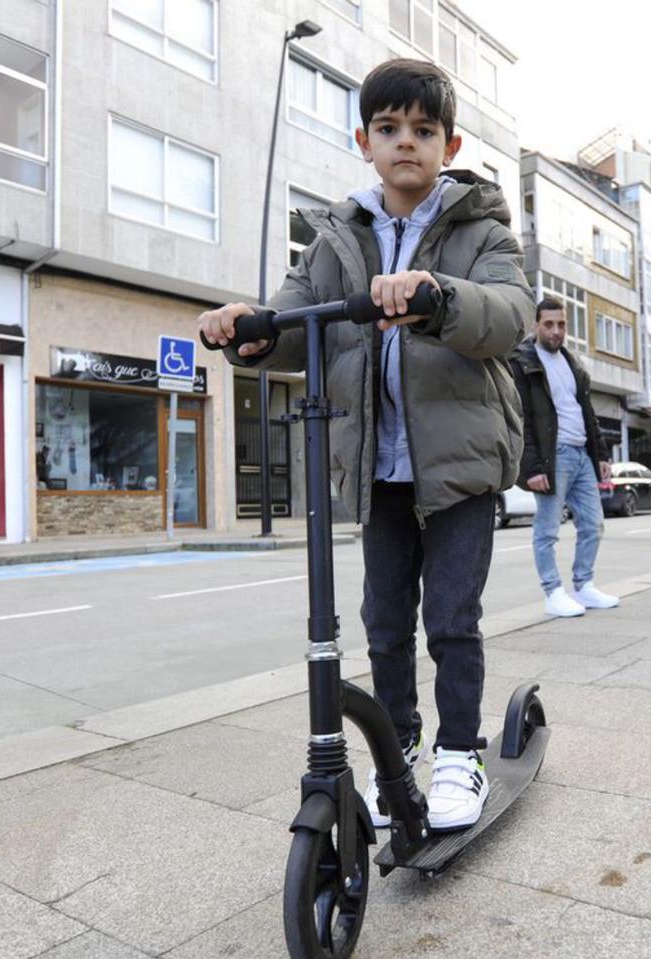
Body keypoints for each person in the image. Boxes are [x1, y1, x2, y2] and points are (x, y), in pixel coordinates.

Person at [197, 59, 533, 832]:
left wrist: (437, 296)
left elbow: (509, 314)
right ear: (364, 141)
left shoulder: (482, 230)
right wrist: (245, 332)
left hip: (459, 465)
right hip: (375, 468)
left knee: (451, 617)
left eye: (422, 131)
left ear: (448, 145)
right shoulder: (336, 239)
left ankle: (459, 751)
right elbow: (293, 321)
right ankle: (399, 747)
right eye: (389, 130)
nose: (405, 143)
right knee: (384, 621)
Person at [509, 296, 620, 618]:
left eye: (561, 325)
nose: (556, 331)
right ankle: (552, 592)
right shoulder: (523, 362)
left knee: (593, 525)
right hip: (551, 456)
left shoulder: (573, 363)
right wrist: (530, 467)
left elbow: (587, 413)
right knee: (547, 530)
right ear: (536, 325)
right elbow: (520, 418)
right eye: (549, 324)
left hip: (581, 454)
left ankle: (583, 586)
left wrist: (599, 454)